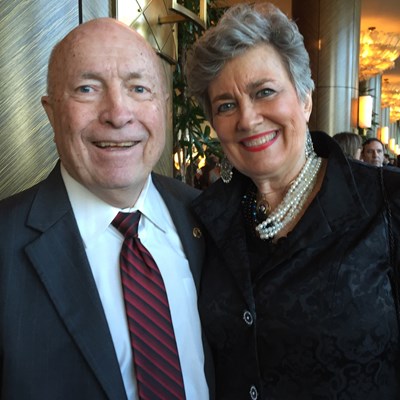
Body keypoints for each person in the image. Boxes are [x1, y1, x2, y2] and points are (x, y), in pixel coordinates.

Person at [185, 3, 400, 399]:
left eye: (264, 92)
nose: (247, 119)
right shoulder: (206, 219)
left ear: (305, 99)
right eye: (226, 105)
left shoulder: (386, 201)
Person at [0, 18, 212, 399]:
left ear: (164, 108)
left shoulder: (208, 217)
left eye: (138, 88)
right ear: (51, 112)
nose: (118, 113)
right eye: (87, 88)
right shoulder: (5, 243)